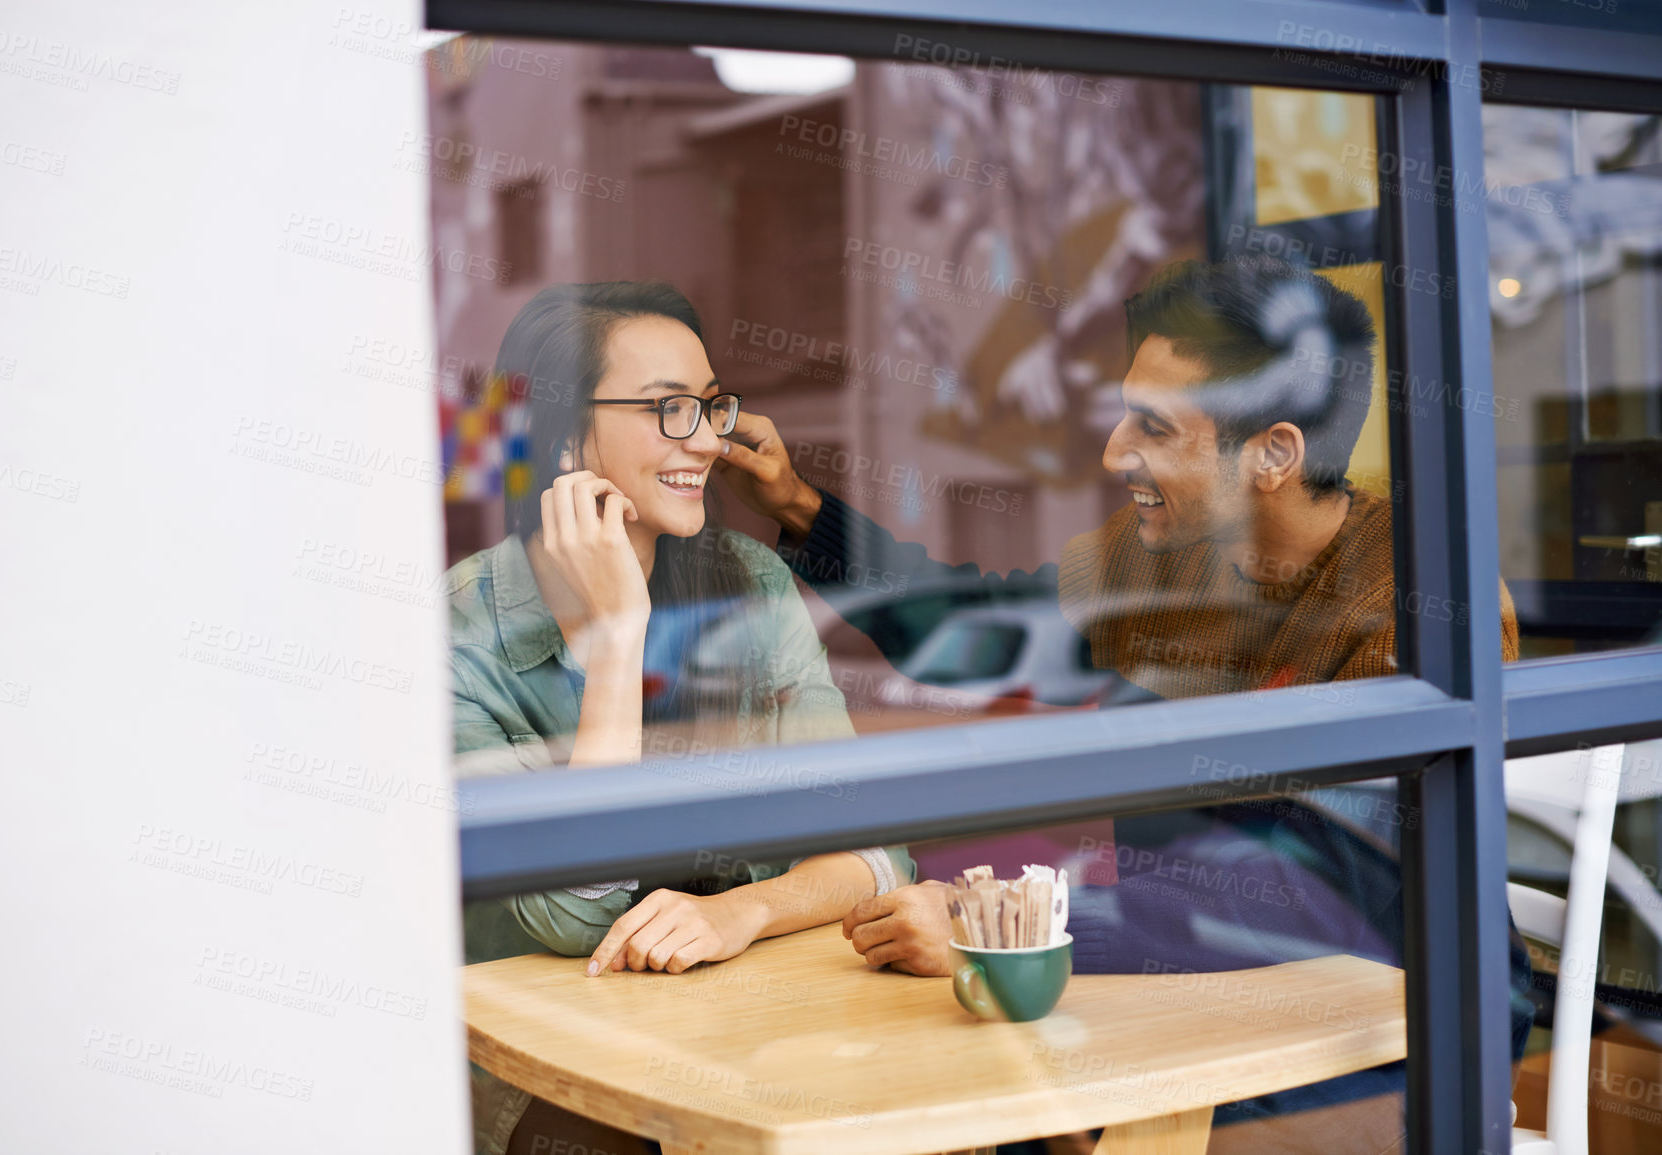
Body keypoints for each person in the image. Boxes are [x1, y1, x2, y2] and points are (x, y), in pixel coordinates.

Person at [712, 256, 1530, 1152]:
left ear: (1273, 453)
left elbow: (1305, 891)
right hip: (1188, 993)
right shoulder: (1158, 555)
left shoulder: (1420, 606)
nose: (1113, 454)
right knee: (980, 1090)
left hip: (1391, 1025)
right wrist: (800, 507)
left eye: (1152, 426)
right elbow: (985, 624)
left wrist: (1007, 929)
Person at [446, 282, 913, 1155]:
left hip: (757, 1038)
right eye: (667, 410)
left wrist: (746, 910)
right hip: (561, 1090)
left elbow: (877, 847)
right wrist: (618, 641)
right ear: (561, 432)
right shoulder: (457, 633)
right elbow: (570, 913)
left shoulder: (749, 581)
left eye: (708, 406)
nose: (706, 439)